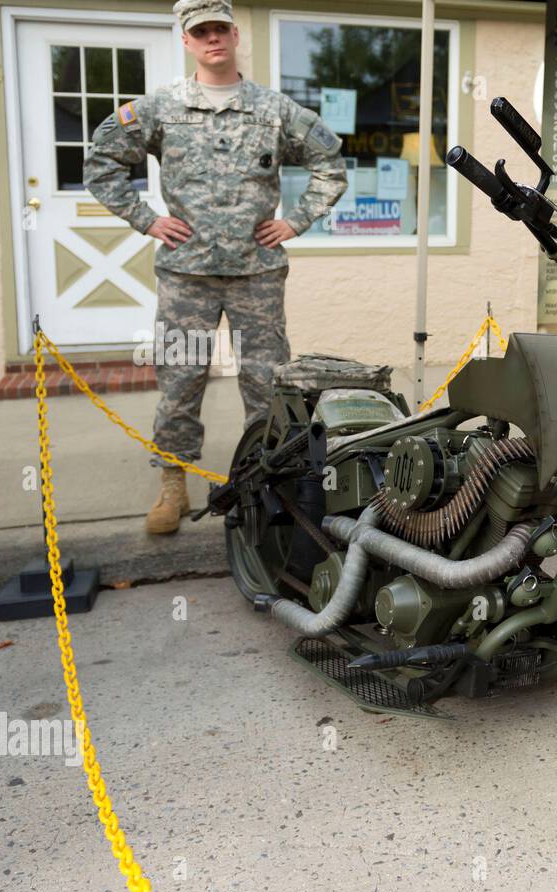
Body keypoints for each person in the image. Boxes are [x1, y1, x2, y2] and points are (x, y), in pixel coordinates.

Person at [85, 0, 347, 534]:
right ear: (187, 41)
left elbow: (330, 163)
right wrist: (146, 219)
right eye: (199, 31)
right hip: (188, 277)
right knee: (182, 382)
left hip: (257, 275)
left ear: (234, 33)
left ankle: (263, 484)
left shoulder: (275, 110)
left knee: (267, 385)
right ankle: (173, 486)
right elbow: (101, 162)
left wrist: (295, 221)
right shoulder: (160, 108)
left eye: (219, 29)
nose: (211, 39)